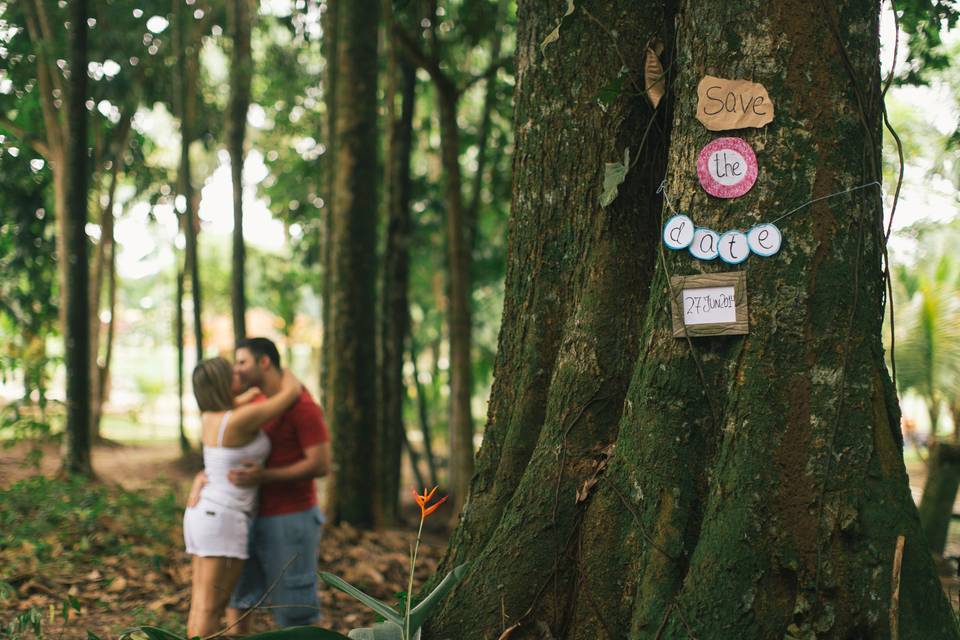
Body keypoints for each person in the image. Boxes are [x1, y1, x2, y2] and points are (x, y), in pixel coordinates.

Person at [183, 357, 303, 637]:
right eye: (232, 374)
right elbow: (290, 394)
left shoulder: (212, 416)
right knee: (211, 608)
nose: (238, 375)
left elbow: (244, 398)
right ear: (224, 384)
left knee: (200, 605)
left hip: (204, 514)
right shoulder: (240, 419)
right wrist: (276, 368)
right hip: (223, 518)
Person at [226, 337, 331, 631]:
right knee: (239, 599)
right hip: (247, 516)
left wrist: (264, 477)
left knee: (295, 612)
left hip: (289, 519)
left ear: (264, 362)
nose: (238, 369)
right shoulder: (259, 401)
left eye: (242, 362)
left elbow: (320, 464)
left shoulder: (304, 406)